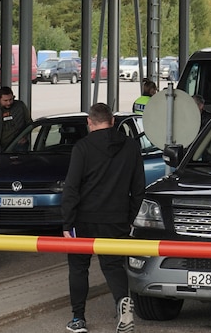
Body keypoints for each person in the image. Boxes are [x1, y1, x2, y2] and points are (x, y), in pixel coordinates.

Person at [62, 103, 145, 333]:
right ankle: (122, 305)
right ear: (113, 121)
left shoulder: (82, 147)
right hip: (117, 219)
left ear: (89, 122)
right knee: (112, 265)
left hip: (84, 220)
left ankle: (78, 319)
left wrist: (67, 222)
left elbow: (71, 188)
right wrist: (130, 217)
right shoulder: (130, 147)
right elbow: (139, 188)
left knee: (79, 267)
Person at [0, 86, 32, 152]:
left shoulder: (20, 106)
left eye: (11, 99)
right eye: (5, 100)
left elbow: (29, 122)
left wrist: (25, 136)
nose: (8, 103)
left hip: (19, 145)